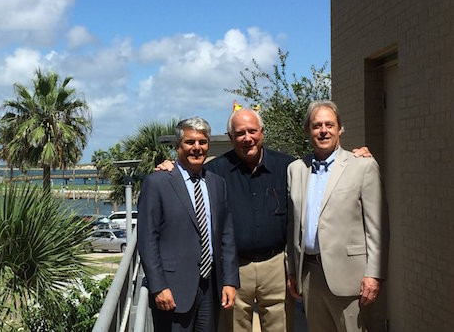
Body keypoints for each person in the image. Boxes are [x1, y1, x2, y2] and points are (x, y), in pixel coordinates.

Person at [156, 106, 372, 332]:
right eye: (240, 133)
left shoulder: (289, 167)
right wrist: (169, 166)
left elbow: (325, 175)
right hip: (234, 270)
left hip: (276, 267)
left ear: (262, 133)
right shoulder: (214, 171)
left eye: (252, 131)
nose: (247, 138)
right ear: (231, 137)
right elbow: (186, 176)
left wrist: (357, 157)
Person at [286, 100, 388, 332]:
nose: (323, 130)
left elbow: (378, 227)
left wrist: (374, 274)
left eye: (329, 125)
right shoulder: (296, 170)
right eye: (317, 125)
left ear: (340, 129)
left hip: (350, 278)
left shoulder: (362, 166)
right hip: (310, 275)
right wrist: (292, 269)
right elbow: (292, 225)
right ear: (308, 131)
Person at [138, 117, 239, 332]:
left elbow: (226, 236)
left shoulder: (216, 183)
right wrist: (159, 286)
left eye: (202, 142)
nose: (197, 148)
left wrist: (230, 281)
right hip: (173, 290)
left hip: (210, 287)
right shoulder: (157, 183)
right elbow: (147, 240)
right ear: (178, 146)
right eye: (190, 142)